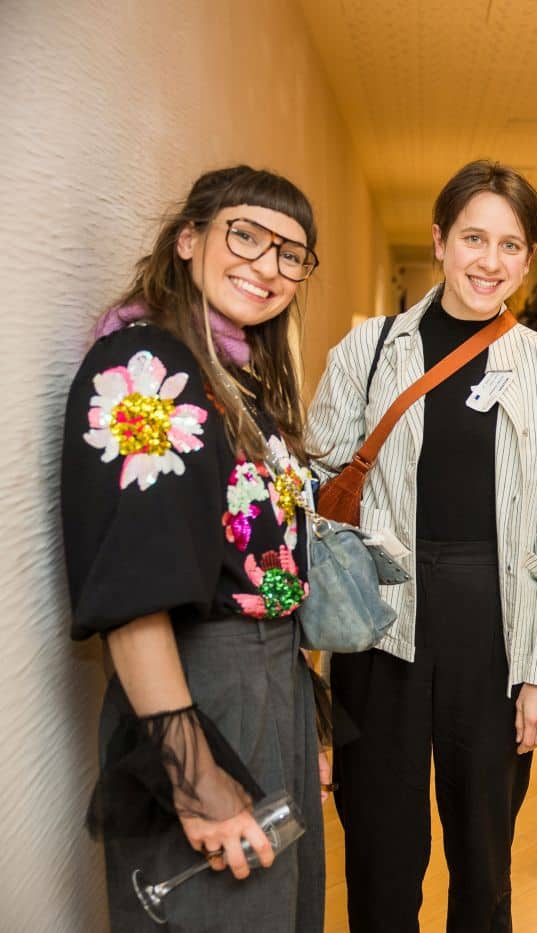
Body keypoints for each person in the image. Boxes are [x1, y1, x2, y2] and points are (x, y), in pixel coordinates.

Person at [307, 159, 537, 932]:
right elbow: (318, 485)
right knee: (380, 853)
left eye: (510, 245)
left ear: (528, 260)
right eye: (473, 238)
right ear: (439, 240)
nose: (489, 261)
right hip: (378, 626)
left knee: (484, 855)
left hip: (494, 631)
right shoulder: (369, 349)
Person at [61, 165, 328, 931]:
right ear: (187, 239)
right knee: (220, 910)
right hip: (200, 689)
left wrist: (303, 723)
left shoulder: (235, 377)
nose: (266, 265)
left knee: (277, 910)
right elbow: (132, 595)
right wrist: (193, 773)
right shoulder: (144, 371)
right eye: (246, 236)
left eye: (290, 254)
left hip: (269, 681)